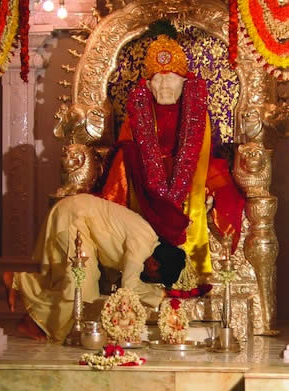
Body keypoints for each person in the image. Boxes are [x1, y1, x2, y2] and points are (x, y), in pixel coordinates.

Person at [102, 33, 245, 283]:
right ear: (147, 85)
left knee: (214, 181)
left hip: (189, 176)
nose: (165, 87)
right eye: (159, 79)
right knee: (127, 157)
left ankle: (191, 269)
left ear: (185, 82)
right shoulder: (137, 113)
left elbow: (205, 158)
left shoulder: (197, 113)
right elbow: (127, 151)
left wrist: (207, 191)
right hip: (144, 182)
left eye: (172, 80)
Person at [3, 193, 186, 343]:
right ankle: (35, 322)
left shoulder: (147, 240)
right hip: (74, 216)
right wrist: (158, 296)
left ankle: (19, 284)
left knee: (69, 280)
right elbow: (129, 287)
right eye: (155, 278)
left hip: (76, 217)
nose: (149, 279)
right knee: (82, 283)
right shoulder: (143, 245)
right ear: (155, 264)